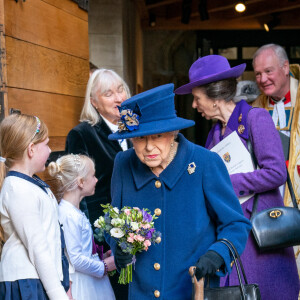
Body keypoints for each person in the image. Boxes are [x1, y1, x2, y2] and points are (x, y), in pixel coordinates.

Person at [107, 83, 251, 300]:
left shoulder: (205, 163)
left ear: (173, 132)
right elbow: (114, 219)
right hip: (141, 293)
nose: (148, 147)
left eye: (157, 136)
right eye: (139, 138)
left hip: (192, 292)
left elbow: (236, 224)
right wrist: (118, 247)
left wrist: (217, 254)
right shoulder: (123, 163)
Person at [175, 54, 300, 299]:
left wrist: (226, 184)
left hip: (261, 233)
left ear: (215, 97)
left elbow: (276, 173)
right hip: (231, 231)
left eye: (197, 98)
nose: (194, 105)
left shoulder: (256, 119)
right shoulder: (213, 134)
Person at [0, 114, 69, 300]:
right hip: (26, 282)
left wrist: (64, 281)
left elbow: (52, 237)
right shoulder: (17, 188)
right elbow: (38, 248)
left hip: (39, 279)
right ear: (31, 149)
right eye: (46, 144)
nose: (50, 150)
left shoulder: (32, 184)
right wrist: (58, 294)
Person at [65, 68, 131, 226]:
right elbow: (77, 192)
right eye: (108, 94)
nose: (118, 99)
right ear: (94, 102)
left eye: (120, 90)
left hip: (138, 222)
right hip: (103, 225)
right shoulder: (81, 134)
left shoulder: (136, 129)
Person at [48, 154, 116, 300]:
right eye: (93, 175)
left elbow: (82, 249)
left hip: (92, 278)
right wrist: (103, 266)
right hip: (84, 284)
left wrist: (100, 257)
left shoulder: (74, 212)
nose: (96, 180)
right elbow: (75, 258)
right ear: (80, 182)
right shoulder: (67, 215)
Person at [252, 44, 300, 204]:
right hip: (269, 198)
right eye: (258, 74)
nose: (263, 79)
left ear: (285, 67)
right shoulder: (254, 108)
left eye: (268, 71)